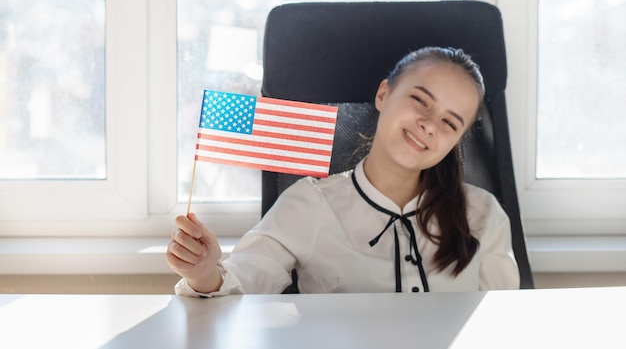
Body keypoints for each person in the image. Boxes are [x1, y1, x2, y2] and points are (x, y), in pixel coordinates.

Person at [166, 46, 520, 297]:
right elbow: (241, 285)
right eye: (420, 100)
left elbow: (504, 327)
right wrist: (204, 273)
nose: (429, 124)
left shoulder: (484, 214)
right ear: (384, 94)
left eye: (449, 122)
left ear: (456, 140)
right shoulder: (312, 202)